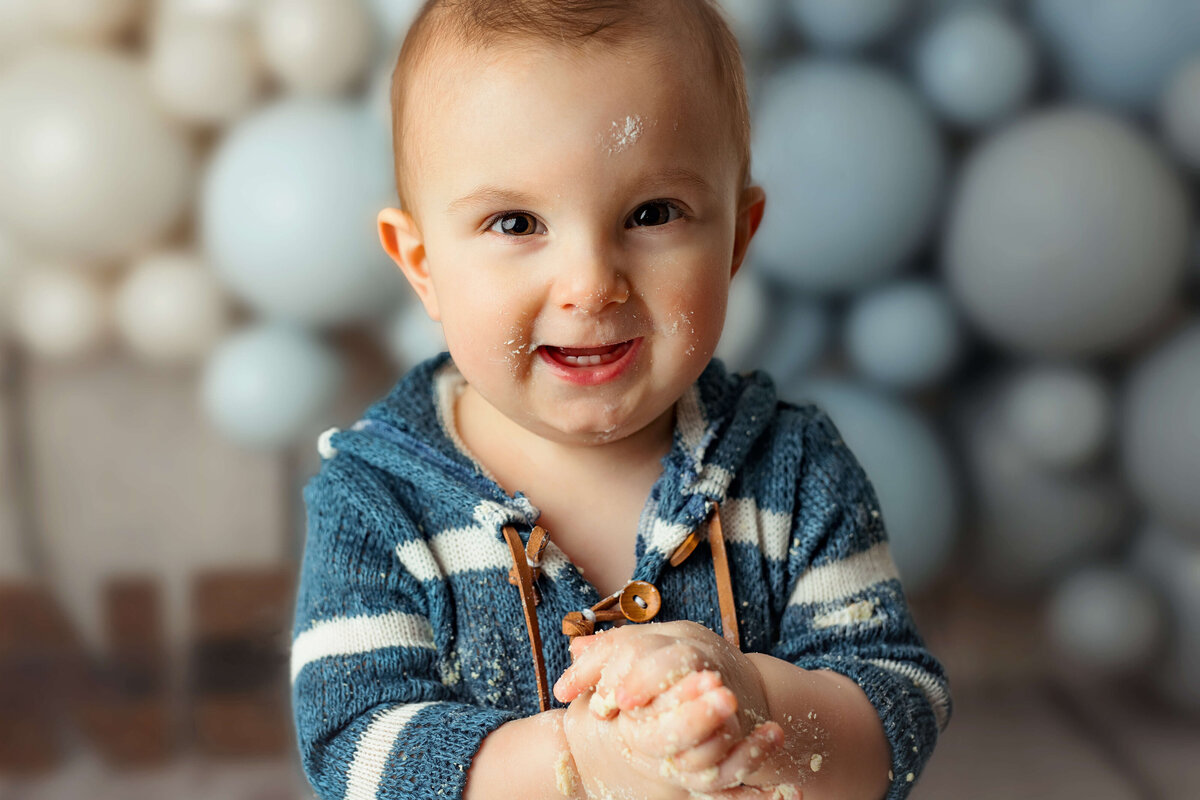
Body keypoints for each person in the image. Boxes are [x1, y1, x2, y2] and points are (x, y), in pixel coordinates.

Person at [290, 1, 951, 798]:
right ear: (422, 262)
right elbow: (355, 753)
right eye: (516, 221)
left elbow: (896, 708)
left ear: (737, 239)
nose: (591, 285)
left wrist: (758, 706)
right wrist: (585, 761)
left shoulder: (793, 474)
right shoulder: (378, 505)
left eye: (651, 214)